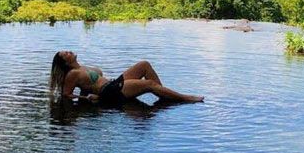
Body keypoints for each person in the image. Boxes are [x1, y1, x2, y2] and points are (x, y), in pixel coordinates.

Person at [50, 51, 204, 106]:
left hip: (113, 84)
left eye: (67, 51)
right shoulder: (72, 74)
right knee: (148, 83)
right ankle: (185, 98)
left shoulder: (82, 67)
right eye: (66, 54)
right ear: (66, 62)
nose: (69, 52)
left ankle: (162, 93)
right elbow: (66, 94)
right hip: (109, 92)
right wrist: (88, 98)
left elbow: (90, 81)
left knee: (144, 65)